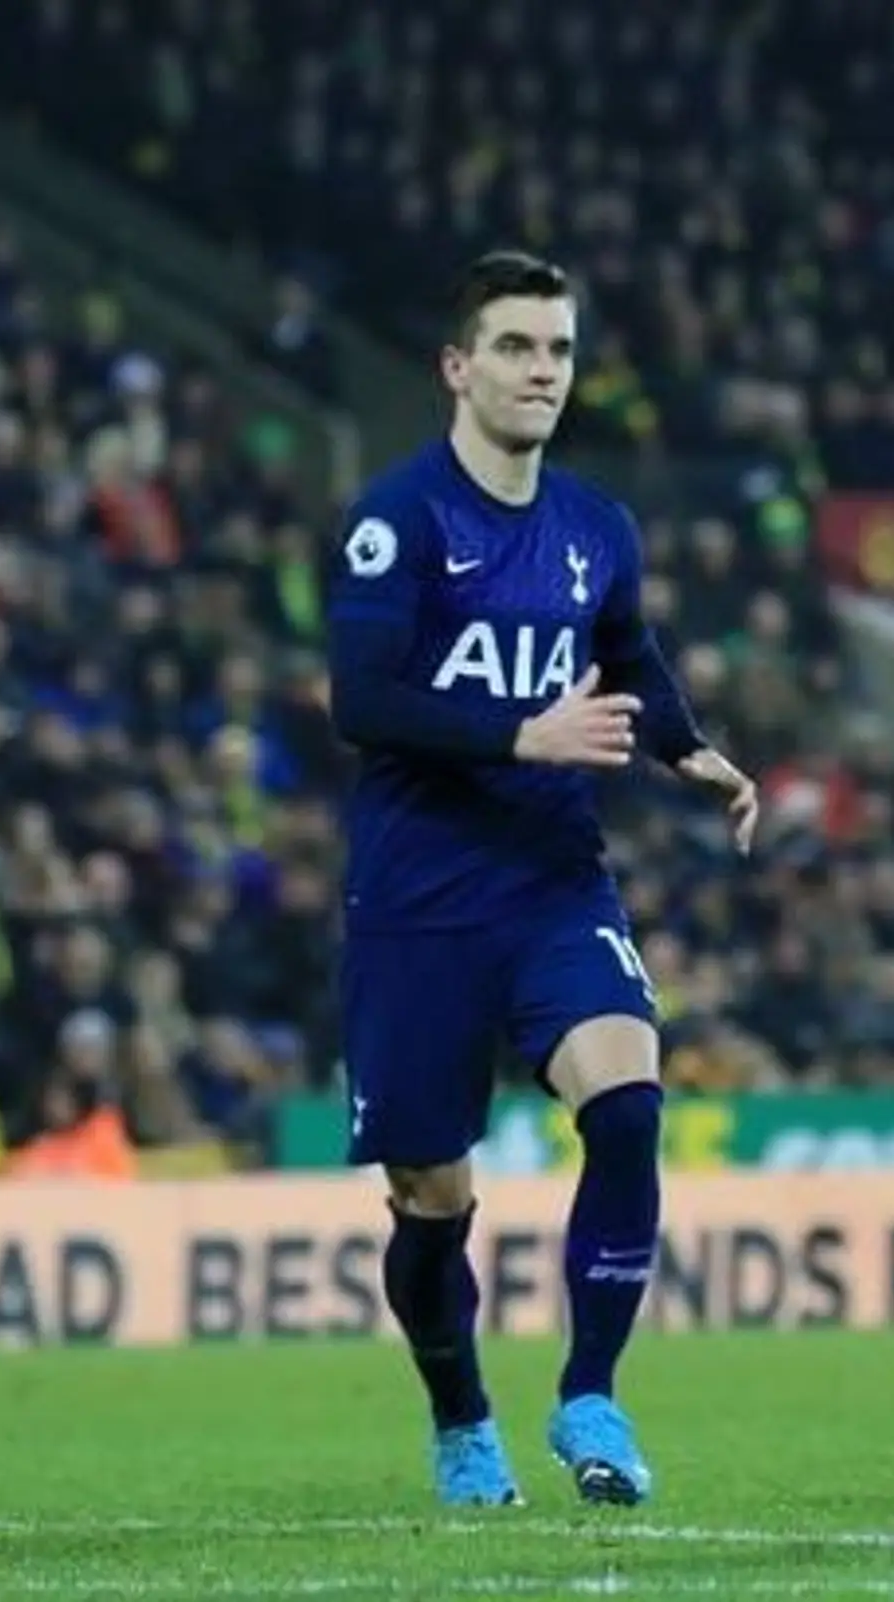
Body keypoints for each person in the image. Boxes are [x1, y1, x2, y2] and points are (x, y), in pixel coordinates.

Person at [325, 251, 758, 1507]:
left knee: (625, 1104)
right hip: (417, 901)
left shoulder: (594, 528)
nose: (541, 373)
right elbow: (360, 700)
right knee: (430, 1193)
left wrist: (690, 749)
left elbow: (630, 657)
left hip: (553, 881)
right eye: (515, 348)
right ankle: (461, 1417)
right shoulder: (396, 521)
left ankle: (591, 1396)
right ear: (458, 369)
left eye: (559, 352)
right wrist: (521, 734)